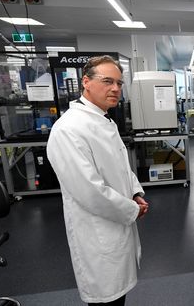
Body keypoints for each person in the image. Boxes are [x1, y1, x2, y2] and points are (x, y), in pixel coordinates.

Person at [47, 55, 149, 306]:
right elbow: (90, 191)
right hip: (98, 233)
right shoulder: (68, 129)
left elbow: (120, 168)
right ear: (86, 82)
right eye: (107, 81)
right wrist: (131, 209)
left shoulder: (103, 119)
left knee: (118, 298)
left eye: (119, 83)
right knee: (106, 300)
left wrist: (135, 193)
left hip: (116, 222)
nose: (115, 88)